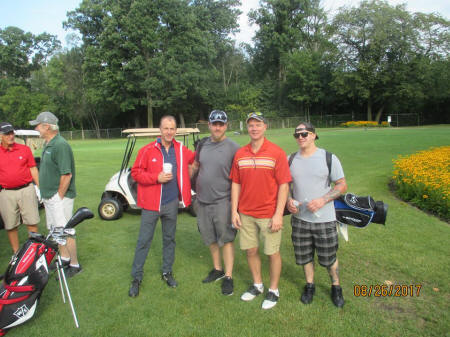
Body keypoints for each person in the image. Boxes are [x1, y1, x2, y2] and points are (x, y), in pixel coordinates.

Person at [230, 112, 291, 310]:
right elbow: (235, 183)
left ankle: (273, 290)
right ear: (247, 128)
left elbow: (284, 185)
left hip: (269, 214)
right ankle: (257, 284)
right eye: (251, 125)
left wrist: (278, 214)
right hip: (246, 213)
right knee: (251, 250)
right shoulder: (240, 153)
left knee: (272, 252)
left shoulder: (276, 152)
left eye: (258, 124)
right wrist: (234, 211)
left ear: (265, 127)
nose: (254, 128)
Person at [128, 115, 195, 297]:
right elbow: (135, 172)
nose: (169, 132)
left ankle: (167, 272)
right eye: (166, 128)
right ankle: (137, 278)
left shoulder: (181, 150)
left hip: (171, 203)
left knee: (169, 239)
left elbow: (197, 158)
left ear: (176, 131)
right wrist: (155, 178)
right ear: (160, 129)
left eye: (172, 129)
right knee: (144, 241)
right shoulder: (147, 150)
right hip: (151, 205)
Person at [286, 122, 347, 308]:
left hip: (325, 220)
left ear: (314, 135)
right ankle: (310, 285)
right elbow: (286, 186)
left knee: (329, 258)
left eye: (304, 133)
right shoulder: (290, 159)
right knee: (305, 256)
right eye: (297, 135)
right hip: (300, 220)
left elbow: (342, 185)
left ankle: (336, 287)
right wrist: (289, 200)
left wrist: (322, 200)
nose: (301, 137)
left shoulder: (328, 157)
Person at [190, 110, 240, 296]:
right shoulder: (202, 144)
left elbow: (240, 177)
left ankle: (228, 276)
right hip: (202, 201)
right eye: (214, 124)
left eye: (221, 124)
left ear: (226, 126)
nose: (217, 127)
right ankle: (217, 269)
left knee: (225, 239)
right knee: (209, 237)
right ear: (209, 125)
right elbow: (195, 166)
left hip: (223, 201)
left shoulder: (234, 147)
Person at [29, 111, 81, 278]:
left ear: (47, 126)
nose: (36, 128)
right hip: (51, 197)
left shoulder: (60, 145)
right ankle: (64, 258)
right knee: (56, 230)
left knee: (66, 231)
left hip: (60, 198)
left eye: (38, 125)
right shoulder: (48, 143)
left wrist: (58, 197)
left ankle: (74, 264)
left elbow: (66, 175)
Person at [0, 122, 40, 253]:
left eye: (12, 133)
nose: (11, 136)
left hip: (26, 189)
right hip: (6, 193)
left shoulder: (24, 149)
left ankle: (32, 253)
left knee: (32, 222)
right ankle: (16, 254)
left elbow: (33, 169)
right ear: (1, 136)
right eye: (7, 134)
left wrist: (40, 187)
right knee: (11, 225)